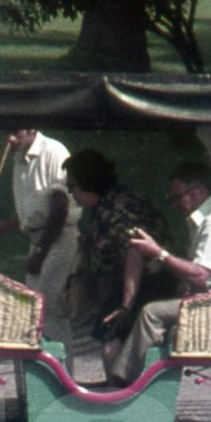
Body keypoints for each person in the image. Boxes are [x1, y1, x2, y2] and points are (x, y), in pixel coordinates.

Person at [102, 162, 211, 387]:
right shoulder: (209, 218)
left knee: (151, 312)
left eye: (176, 197)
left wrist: (159, 254)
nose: (174, 204)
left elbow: (200, 275)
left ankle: (127, 381)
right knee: (156, 296)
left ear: (197, 192)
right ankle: (135, 373)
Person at [0, 129, 81, 337]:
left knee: (49, 309)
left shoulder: (54, 151)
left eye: (15, 133)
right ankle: (44, 365)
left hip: (59, 238)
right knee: (33, 310)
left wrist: (40, 252)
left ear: (32, 129)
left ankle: (61, 368)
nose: (10, 139)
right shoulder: (19, 157)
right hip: (39, 240)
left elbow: (60, 209)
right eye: (7, 133)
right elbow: (33, 212)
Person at [62, 148, 167, 357]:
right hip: (134, 278)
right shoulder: (106, 204)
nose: (71, 193)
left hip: (147, 280)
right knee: (109, 332)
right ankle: (118, 383)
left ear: (88, 182)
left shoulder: (115, 210)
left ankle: (120, 385)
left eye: (72, 186)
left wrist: (126, 305)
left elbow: (134, 252)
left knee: (111, 329)